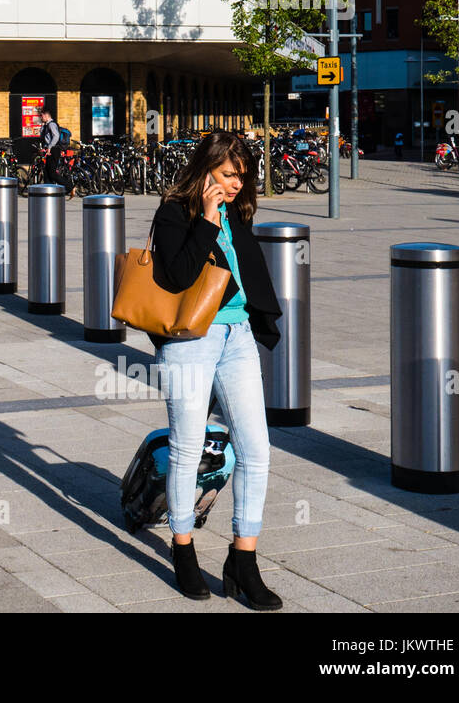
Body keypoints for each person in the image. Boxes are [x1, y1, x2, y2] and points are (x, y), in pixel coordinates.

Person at [150, 130, 283, 610]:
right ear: (205, 169)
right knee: (187, 451)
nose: (233, 185)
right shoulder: (172, 212)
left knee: (257, 450)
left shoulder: (239, 212)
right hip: (189, 341)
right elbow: (178, 275)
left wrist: (260, 318)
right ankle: (182, 547)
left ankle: (242, 559)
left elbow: (248, 272)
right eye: (227, 175)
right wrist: (206, 219)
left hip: (237, 338)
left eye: (240, 177)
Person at [38, 106, 63, 181]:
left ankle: (70, 187)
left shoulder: (51, 124)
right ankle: (48, 190)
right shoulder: (46, 125)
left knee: (52, 174)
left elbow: (56, 136)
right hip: (49, 150)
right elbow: (43, 138)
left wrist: (49, 147)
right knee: (47, 172)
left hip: (53, 150)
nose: (41, 118)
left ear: (46, 115)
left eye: (41, 116)